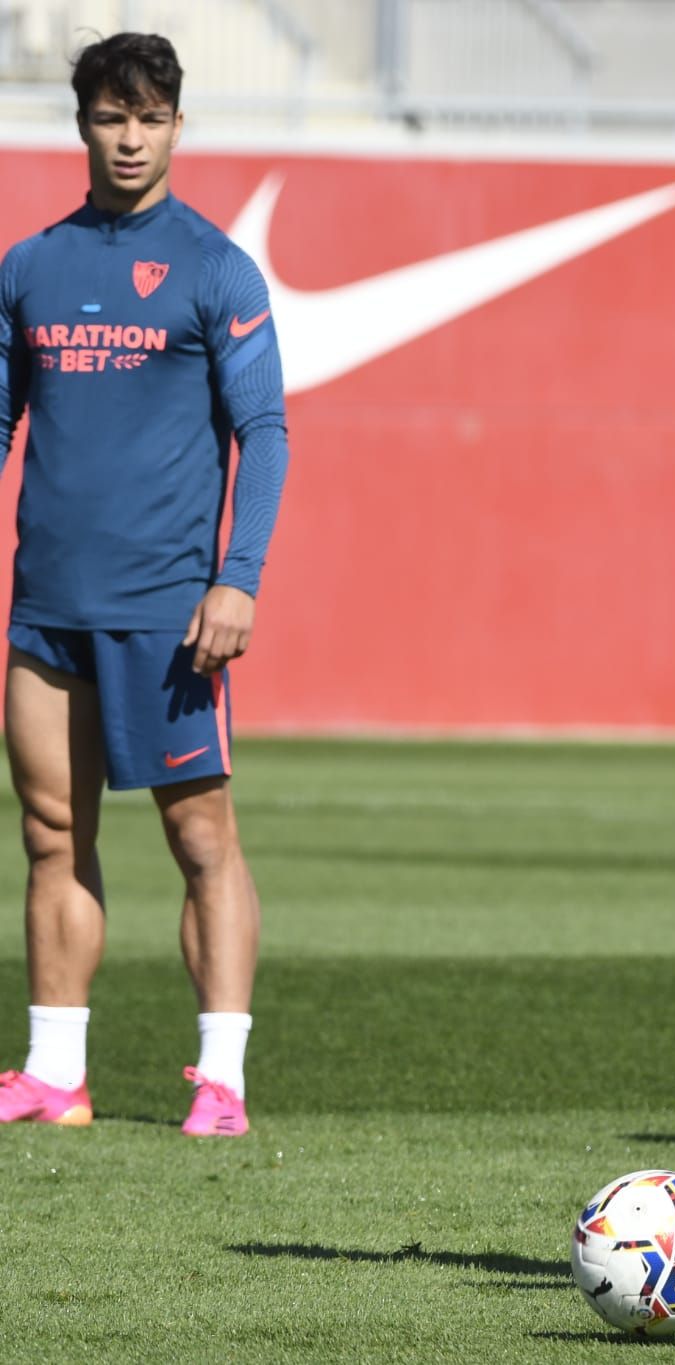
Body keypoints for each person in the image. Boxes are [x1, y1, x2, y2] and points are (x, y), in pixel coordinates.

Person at [0, 33, 288, 1139]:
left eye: (152, 118)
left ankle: (222, 1080)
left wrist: (237, 579)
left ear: (177, 125)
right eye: (113, 117)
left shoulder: (215, 267)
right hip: (46, 609)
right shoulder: (29, 266)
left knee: (201, 842)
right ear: (82, 124)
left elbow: (262, 432)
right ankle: (55, 1076)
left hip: (172, 617)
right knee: (50, 835)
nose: (132, 137)